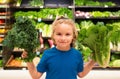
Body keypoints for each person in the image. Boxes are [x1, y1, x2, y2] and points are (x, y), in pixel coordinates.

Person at [22, 16, 96, 79]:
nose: (63, 38)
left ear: (73, 36)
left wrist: (93, 61)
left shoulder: (77, 55)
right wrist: (29, 60)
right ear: (53, 36)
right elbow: (36, 75)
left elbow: (81, 74)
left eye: (67, 34)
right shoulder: (47, 54)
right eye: (59, 34)